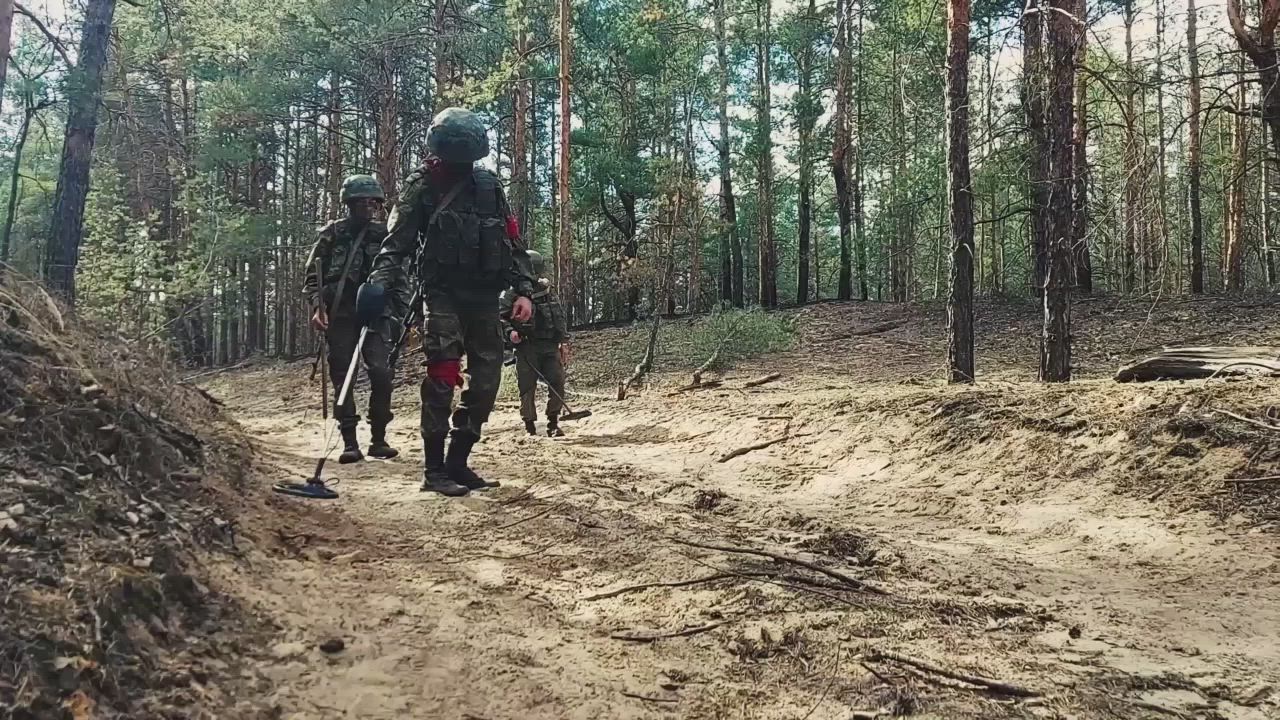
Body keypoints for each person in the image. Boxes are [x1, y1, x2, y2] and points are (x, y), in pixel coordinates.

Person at [364, 107, 537, 497]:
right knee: (442, 377)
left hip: (485, 297)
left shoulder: (489, 186)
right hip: (442, 295)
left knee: (487, 382)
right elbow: (395, 245)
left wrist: (524, 290)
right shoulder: (422, 186)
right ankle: (434, 469)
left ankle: (458, 460)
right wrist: (377, 286)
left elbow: (512, 243)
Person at [303, 174, 400, 465]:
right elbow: (312, 277)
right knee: (342, 376)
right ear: (350, 203)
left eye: (373, 203)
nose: (368, 207)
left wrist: (401, 312)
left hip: (375, 315)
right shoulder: (332, 234)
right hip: (341, 315)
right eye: (362, 202)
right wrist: (318, 308)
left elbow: (398, 275)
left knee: (381, 373)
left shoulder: (385, 236)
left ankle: (379, 439)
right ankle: (349, 442)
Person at [500, 251, 571, 437]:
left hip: (550, 345)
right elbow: (499, 318)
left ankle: (553, 422)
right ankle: (529, 425)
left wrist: (563, 342)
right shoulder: (511, 293)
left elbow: (559, 316)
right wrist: (511, 332)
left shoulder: (547, 290)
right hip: (527, 346)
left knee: (557, 381)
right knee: (527, 387)